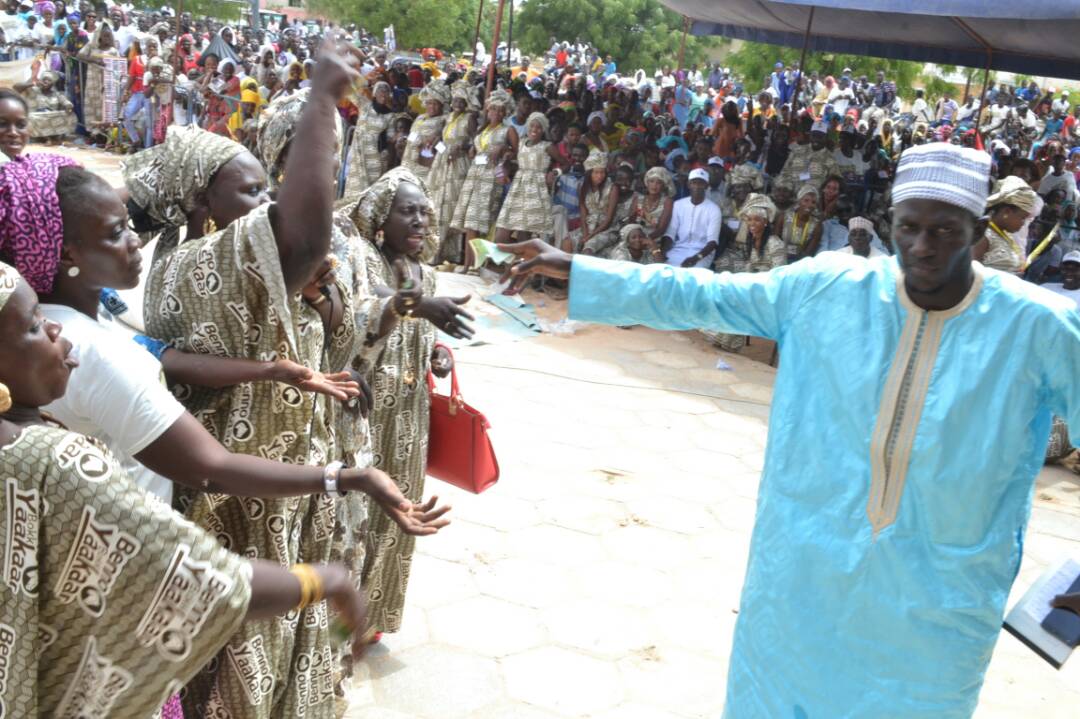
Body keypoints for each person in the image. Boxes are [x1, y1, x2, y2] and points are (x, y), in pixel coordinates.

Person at [497, 142, 1080, 717]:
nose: (922, 247)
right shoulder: (826, 288)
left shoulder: (1038, 326)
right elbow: (701, 294)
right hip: (800, 576)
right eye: (909, 227)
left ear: (978, 231)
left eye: (945, 231)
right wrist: (576, 267)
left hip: (939, 606)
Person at [0, 257, 376, 718]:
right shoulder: (53, 462)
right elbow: (201, 579)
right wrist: (326, 580)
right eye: (34, 326)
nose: (55, 329)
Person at [346, 166, 474, 640]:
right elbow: (370, 299)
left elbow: (423, 332)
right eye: (406, 212)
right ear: (381, 217)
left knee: (398, 518)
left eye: (424, 212)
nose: (419, 221)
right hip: (365, 413)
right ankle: (337, 624)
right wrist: (418, 304)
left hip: (409, 417)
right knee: (355, 516)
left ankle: (370, 623)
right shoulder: (363, 260)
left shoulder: (428, 274)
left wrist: (438, 353)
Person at [449, 88, 516, 268]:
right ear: (488, 110)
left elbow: (517, 154)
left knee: (477, 222)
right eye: (493, 109)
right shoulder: (483, 129)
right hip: (474, 176)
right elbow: (477, 148)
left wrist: (504, 150)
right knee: (469, 223)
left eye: (500, 110)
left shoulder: (508, 130)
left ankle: (476, 265)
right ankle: (468, 264)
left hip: (490, 178)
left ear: (505, 112)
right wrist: (473, 149)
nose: (496, 113)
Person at [428, 80, 479, 264]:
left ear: (466, 103)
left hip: (459, 164)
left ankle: (451, 253)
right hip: (443, 163)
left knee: (451, 207)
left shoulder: (469, 118)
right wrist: (437, 143)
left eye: (461, 100)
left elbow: (475, 141)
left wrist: (463, 147)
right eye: (455, 100)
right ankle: (435, 251)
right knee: (438, 205)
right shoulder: (449, 117)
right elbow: (444, 140)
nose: (457, 103)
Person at [495, 112, 553, 244]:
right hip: (518, 187)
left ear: (543, 130)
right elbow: (516, 162)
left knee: (524, 230)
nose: (534, 129)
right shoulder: (521, 143)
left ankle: (521, 256)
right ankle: (504, 256)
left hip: (535, 189)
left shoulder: (547, 146)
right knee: (504, 227)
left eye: (538, 127)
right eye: (532, 126)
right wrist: (506, 161)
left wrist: (554, 172)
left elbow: (565, 163)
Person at [973, 175, 1039, 274]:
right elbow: (969, 272)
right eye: (1022, 218)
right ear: (1007, 212)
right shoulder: (983, 235)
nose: (1023, 223)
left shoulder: (1006, 235)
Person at [658, 167, 720, 268]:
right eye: (694, 183)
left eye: (701, 183)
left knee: (692, 272)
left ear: (706, 186)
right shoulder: (678, 205)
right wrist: (663, 252)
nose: (697, 186)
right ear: (688, 185)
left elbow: (712, 242)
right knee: (665, 268)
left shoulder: (714, 209)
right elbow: (670, 234)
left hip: (702, 253)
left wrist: (695, 258)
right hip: (679, 249)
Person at [400, 78, 449, 185]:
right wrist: (406, 138)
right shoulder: (420, 117)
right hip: (408, 159)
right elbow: (412, 134)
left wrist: (435, 144)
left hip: (425, 162)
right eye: (429, 103)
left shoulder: (445, 119)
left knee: (421, 188)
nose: (432, 107)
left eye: (435, 104)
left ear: (442, 105)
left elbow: (444, 146)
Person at [13, 69, 75, 142]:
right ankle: (41, 137)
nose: (46, 82)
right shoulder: (33, 90)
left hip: (51, 119)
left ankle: (54, 136)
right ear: (41, 80)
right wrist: (32, 84)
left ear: (52, 83)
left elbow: (66, 102)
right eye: (44, 79)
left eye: (49, 80)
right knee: (31, 118)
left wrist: (68, 106)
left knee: (70, 115)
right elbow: (16, 87)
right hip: (36, 119)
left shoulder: (56, 94)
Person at [777, 184, 822, 262]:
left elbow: (808, 254)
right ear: (799, 201)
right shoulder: (784, 217)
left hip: (799, 261)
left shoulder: (817, 226)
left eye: (813, 202)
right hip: (779, 257)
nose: (810, 205)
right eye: (806, 200)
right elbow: (774, 241)